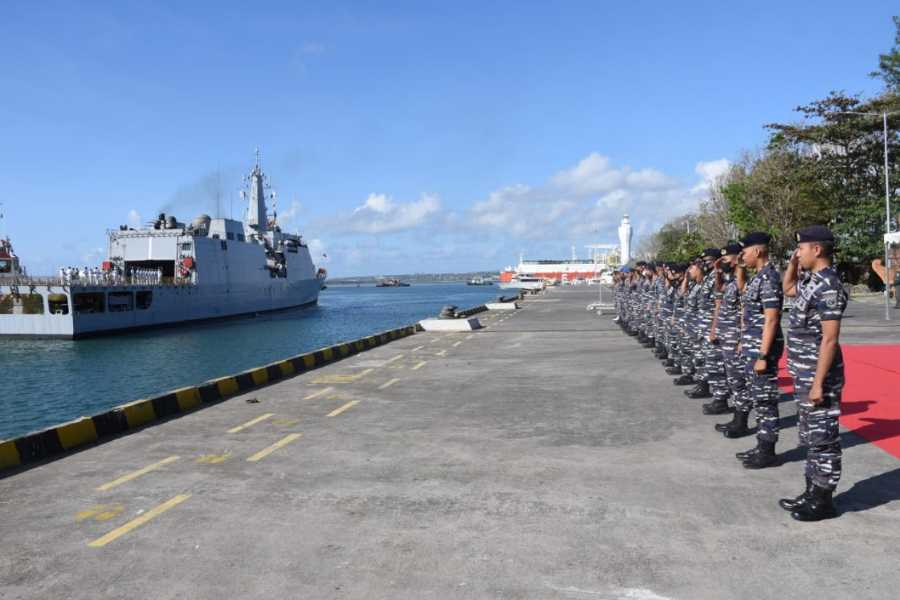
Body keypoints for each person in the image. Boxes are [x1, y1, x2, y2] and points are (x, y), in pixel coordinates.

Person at [780, 225, 847, 521]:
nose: (798, 252)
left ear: (816, 250)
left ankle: (824, 501)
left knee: (823, 438)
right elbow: (787, 289)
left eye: (802, 248)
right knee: (809, 436)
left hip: (819, 377)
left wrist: (819, 383)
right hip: (804, 373)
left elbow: (830, 338)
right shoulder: (812, 280)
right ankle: (811, 491)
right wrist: (793, 264)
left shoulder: (830, 286)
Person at [733, 232, 784, 469]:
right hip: (753, 346)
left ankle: (768, 451)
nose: (742, 255)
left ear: (758, 251)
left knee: (765, 400)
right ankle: (761, 442)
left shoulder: (770, 278)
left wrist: (763, 355)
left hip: (762, 350)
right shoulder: (758, 278)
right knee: (758, 398)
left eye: (745, 251)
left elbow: (771, 319)